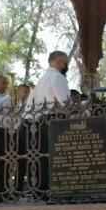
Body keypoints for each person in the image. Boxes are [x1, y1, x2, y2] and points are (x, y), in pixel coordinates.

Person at [19, 51, 71, 194]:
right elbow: (64, 101)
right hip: (55, 120)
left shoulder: (42, 79)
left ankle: (40, 189)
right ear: (59, 61)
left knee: (42, 155)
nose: (65, 65)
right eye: (64, 62)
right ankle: (54, 189)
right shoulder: (57, 77)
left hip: (39, 121)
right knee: (55, 155)